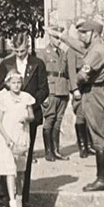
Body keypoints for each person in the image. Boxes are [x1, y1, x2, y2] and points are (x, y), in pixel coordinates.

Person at [45, 20, 104, 192]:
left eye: (84, 33)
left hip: (94, 93)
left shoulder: (96, 51)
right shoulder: (94, 48)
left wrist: (77, 84)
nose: (81, 37)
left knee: (98, 137)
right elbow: (78, 47)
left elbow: (82, 75)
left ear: (93, 33)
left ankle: (103, 179)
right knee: (97, 135)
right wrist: (61, 36)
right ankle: (102, 177)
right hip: (93, 92)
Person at [0, 33, 48, 207]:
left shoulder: (37, 64)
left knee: (24, 156)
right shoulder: (6, 64)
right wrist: (9, 102)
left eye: (23, 50)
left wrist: (27, 103)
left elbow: (43, 89)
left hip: (27, 117)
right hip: (8, 119)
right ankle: (4, 197)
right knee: (6, 156)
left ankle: (23, 197)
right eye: (17, 51)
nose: (20, 54)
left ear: (28, 47)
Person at [0, 71, 35, 207]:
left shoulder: (26, 98)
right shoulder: (3, 99)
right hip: (8, 136)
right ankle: (12, 202)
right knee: (10, 169)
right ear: (8, 84)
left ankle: (19, 198)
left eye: (18, 83)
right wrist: (6, 138)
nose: (16, 86)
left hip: (21, 135)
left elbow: (32, 116)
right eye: (13, 83)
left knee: (20, 170)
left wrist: (26, 118)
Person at [36, 27, 70, 162]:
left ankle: (56, 150)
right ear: (50, 37)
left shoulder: (63, 53)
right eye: (56, 37)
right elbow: (40, 75)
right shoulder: (43, 53)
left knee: (58, 121)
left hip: (62, 89)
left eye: (60, 38)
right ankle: (48, 151)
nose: (58, 40)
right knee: (49, 119)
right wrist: (42, 95)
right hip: (51, 90)